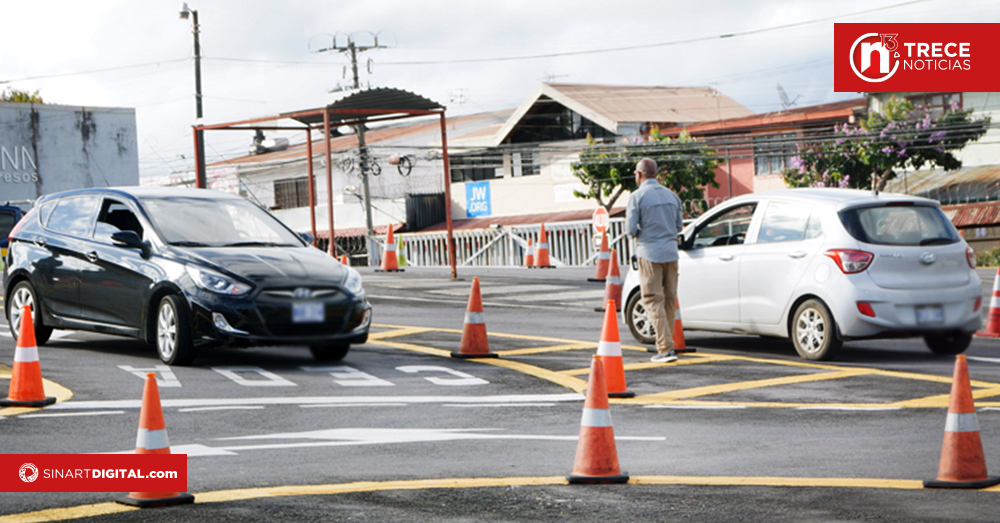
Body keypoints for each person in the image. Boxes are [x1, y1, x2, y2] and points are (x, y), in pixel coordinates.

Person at [625, 157, 684, 363]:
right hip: (671, 253)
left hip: (649, 253)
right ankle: (668, 345)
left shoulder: (636, 197)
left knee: (652, 299)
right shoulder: (672, 196)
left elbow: (630, 229)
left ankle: (665, 348)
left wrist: (645, 232)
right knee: (669, 298)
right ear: (655, 174)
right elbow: (679, 226)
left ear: (639, 174)